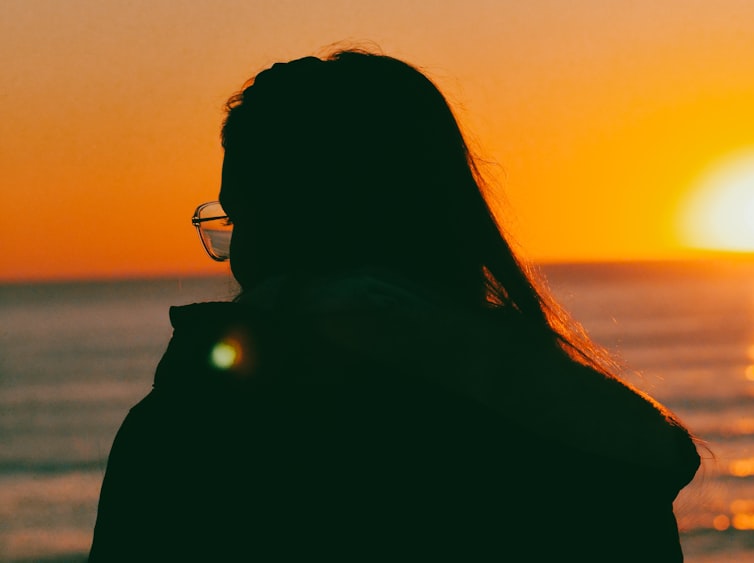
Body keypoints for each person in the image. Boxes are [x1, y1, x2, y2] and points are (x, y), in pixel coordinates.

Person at [89, 48, 701, 561]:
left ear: (301, 222)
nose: (237, 254)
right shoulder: (584, 434)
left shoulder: (199, 430)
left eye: (243, 217)